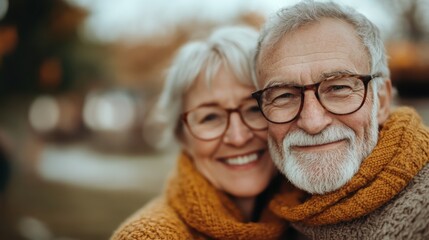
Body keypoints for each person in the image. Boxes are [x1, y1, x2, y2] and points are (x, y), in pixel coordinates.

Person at [252, 1, 429, 239]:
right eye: (284, 95)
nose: (313, 122)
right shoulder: (261, 210)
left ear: (383, 101)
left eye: (338, 87)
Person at [111, 26, 290, 239]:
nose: (238, 137)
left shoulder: (313, 222)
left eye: (253, 109)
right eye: (210, 117)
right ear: (181, 135)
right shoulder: (148, 236)